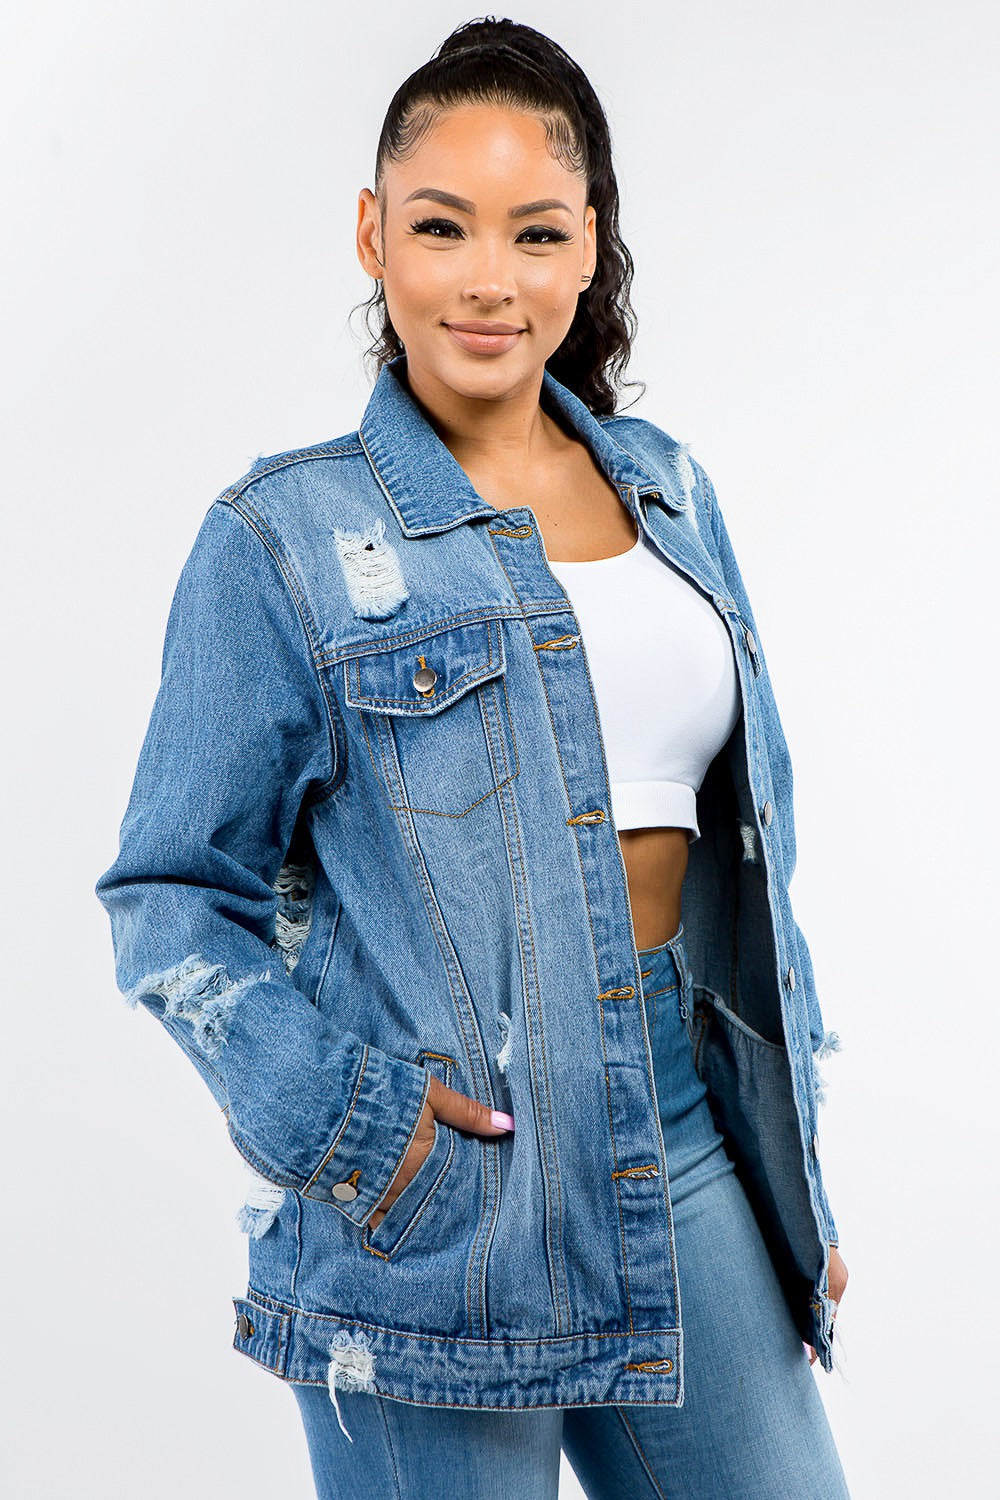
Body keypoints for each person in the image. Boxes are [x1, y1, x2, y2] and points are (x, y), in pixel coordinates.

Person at [95, 15, 851, 1499]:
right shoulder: (283, 539)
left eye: (534, 231)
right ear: (374, 237)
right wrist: (362, 1132)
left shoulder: (674, 494)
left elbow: (751, 867)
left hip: (681, 1132)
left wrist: (790, 1157)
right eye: (441, 226)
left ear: (589, 250)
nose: (486, 278)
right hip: (450, 1189)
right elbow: (171, 896)